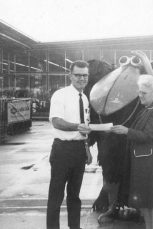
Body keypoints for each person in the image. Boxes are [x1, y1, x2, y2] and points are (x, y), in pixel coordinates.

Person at [111, 74, 153, 229]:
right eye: (140, 91)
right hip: (144, 162)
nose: (140, 95)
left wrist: (126, 131)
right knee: (145, 202)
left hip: (152, 163)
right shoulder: (148, 109)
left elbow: (148, 136)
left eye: (144, 93)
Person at [47, 60, 92, 229]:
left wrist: (87, 148)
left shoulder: (85, 98)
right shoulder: (60, 95)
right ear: (70, 76)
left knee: (75, 195)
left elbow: (84, 126)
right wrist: (76, 126)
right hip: (62, 150)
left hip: (79, 150)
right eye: (78, 75)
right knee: (56, 196)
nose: (82, 78)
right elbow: (56, 122)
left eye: (85, 75)